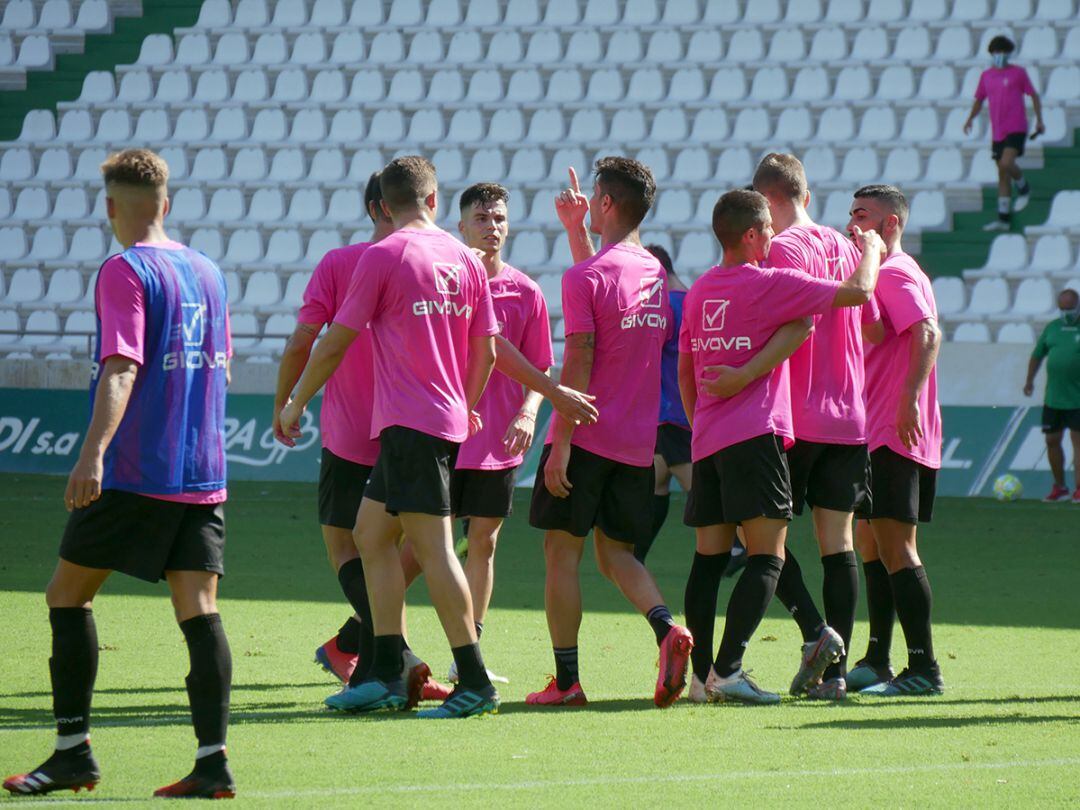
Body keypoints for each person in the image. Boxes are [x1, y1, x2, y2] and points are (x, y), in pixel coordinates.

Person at [4, 149, 236, 798]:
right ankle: (213, 762)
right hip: (203, 472)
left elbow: (123, 366)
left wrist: (92, 453)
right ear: (167, 201)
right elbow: (217, 362)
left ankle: (72, 751)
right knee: (199, 609)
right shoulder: (208, 272)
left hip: (137, 471)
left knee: (65, 596)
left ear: (110, 207)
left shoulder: (124, 270)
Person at [279, 156, 501, 719]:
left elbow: (333, 341)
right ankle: (380, 669)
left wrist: (296, 400)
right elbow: (488, 351)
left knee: (434, 550)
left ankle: (474, 681)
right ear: (433, 198)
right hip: (436, 421)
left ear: (383, 204)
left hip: (411, 423)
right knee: (370, 533)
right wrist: (466, 405)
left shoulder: (382, 255)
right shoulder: (465, 258)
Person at [680, 189, 884, 705]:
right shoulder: (767, 283)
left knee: (707, 561)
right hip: (756, 434)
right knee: (767, 556)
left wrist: (700, 421)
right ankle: (729, 671)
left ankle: (701, 679)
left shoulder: (701, 290)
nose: (774, 236)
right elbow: (858, 293)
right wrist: (875, 249)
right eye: (767, 229)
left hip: (708, 439)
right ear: (750, 235)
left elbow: (686, 369)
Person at [526, 160, 693, 708]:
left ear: (606, 203)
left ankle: (567, 683)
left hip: (586, 435)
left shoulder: (584, 276)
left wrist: (563, 442)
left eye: (594, 196)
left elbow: (581, 350)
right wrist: (576, 232)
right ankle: (667, 629)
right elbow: (603, 301)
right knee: (618, 554)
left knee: (561, 554)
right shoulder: (653, 275)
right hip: (636, 443)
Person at [746, 153, 884, 701]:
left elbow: (772, 325)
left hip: (795, 415)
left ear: (765, 201)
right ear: (806, 194)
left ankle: (812, 631)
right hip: (849, 414)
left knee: (757, 536)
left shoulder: (779, 250)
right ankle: (836, 675)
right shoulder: (846, 246)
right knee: (838, 543)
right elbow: (870, 328)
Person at [446, 182, 555, 682]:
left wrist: (529, 411)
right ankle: (372, 639)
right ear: (461, 226)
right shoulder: (444, 284)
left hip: (496, 443)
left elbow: (541, 368)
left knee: (484, 544)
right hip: (443, 433)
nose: (493, 227)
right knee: (418, 548)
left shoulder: (525, 291)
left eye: (500, 219)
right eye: (483, 218)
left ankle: (469, 653)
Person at [845, 185, 945, 697]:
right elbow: (883, 336)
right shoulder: (879, 275)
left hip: (893, 428)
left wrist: (907, 398)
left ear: (890, 226)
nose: (852, 223)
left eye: (862, 216)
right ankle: (879, 658)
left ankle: (924, 669)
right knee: (871, 543)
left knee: (897, 549)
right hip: (876, 428)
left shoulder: (897, 272)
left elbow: (927, 333)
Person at [637, 243, 692, 564]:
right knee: (658, 480)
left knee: (699, 494)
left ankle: (740, 545)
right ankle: (636, 557)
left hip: (672, 413)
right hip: (678, 411)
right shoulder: (692, 300)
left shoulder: (666, 308)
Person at [963, 35, 1045, 232]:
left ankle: (1024, 186)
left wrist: (1039, 120)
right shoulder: (987, 76)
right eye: (996, 52)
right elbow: (979, 99)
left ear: (1009, 53)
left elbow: (1033, 94)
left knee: (1007, 163)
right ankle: (1003, 218)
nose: (1000, 55)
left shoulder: (1018, 73)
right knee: (1002, 173)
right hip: (998, 130)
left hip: (1016, 126)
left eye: (1003, 52)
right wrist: (970, 118)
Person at [1024, 287, 1080, 503]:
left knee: (1078, 443)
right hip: (1054, 397)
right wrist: (1029, 381)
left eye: (1070, 308)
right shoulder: (1053, 328)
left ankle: (1079, 488)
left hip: (1077, 398)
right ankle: (1060, 487)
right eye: (1062, 308)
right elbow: (1037, 355)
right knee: (1052, 440)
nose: (1066, 312)